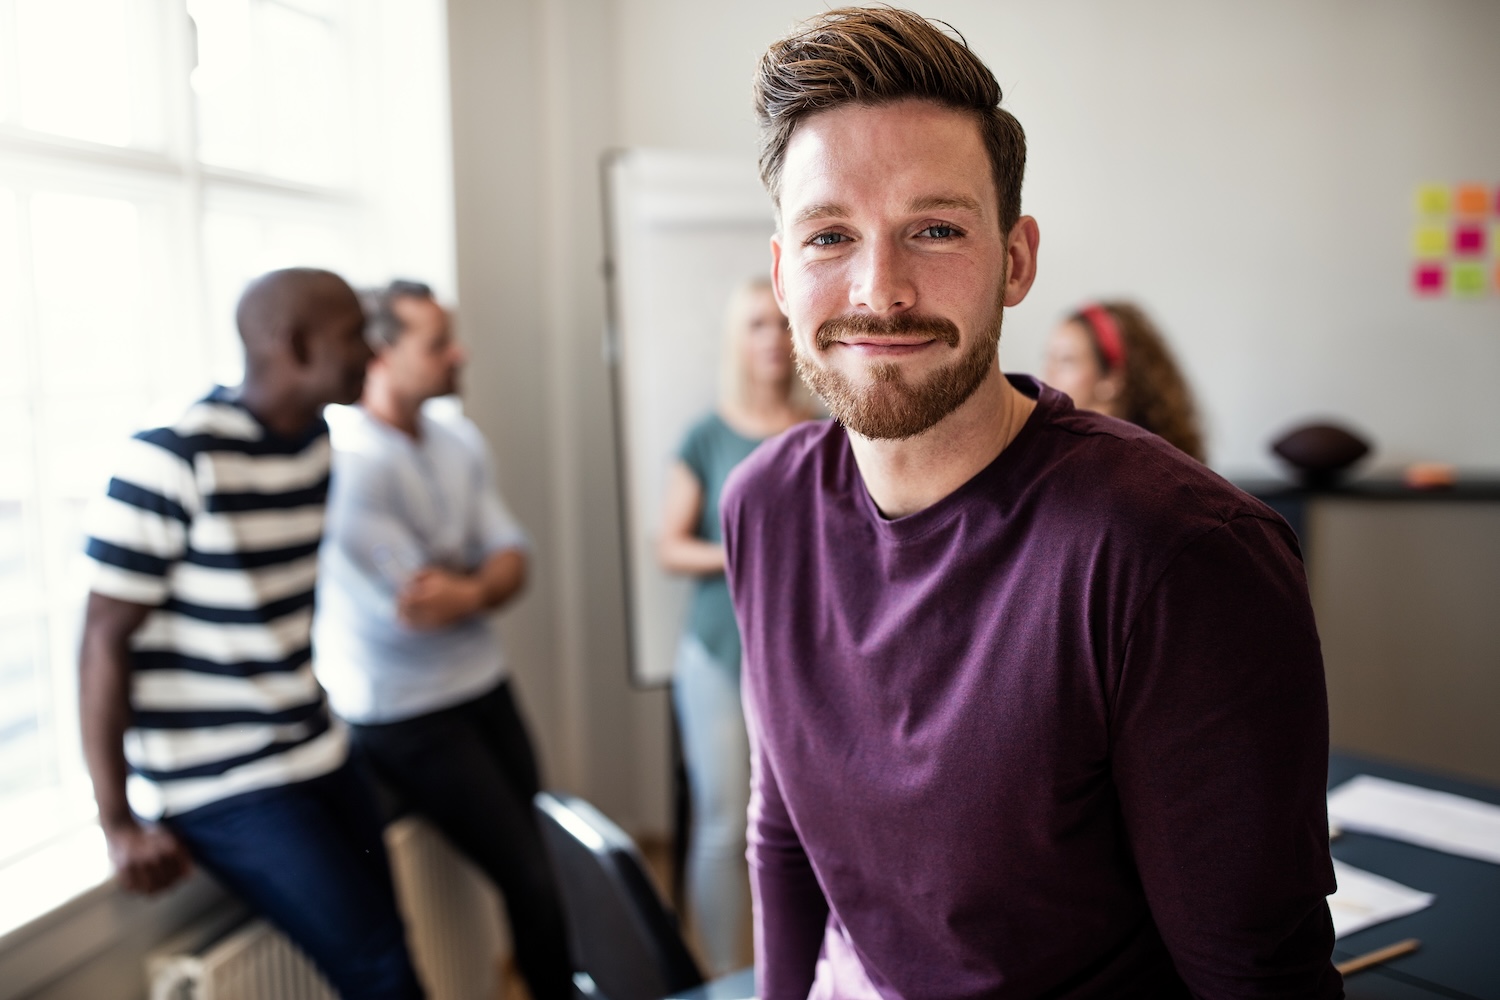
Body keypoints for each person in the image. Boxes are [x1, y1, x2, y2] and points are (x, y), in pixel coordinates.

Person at [723, 9, 1341, 998]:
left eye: (934, 229)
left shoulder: (1175, 556)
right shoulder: (764, 506)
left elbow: (1256, 977)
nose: (881, 292)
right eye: (831, 234)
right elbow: (784, 830)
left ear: (1016, 259)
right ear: (784, 271)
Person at [79, 268, 425, 999]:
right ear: (296, 345)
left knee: (390, 946)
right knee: (380, 973)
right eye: (356, 334)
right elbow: (103, 638)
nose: (373, 349)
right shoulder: (173, 456)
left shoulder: (316, 442)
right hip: (227, 780)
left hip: (317, 747)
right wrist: (117, 821)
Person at [312, 280, 573, 1000]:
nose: (459, 353)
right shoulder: (351, 462)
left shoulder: (456, 437)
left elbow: (513, 553)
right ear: (380, 355)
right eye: (437, 343)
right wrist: (476, 579)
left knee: (544, 859)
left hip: (480, 681)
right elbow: (417, 604)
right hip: (406, 713)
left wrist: (472, 586)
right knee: (528, 873)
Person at [655, 277, 813, 975]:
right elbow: (669, 545)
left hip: (804, 654)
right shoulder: (706, 433)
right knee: (724, 826)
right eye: (756, 325)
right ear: (737, 340)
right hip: (718, 652)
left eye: (781, 323)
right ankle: (728, 980)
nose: (772, 339)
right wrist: (744, 551)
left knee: (800, 824)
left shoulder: (823, 427)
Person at [1043, 300, 1207, 461]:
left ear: (1112, 379)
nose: (1048, 373)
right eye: (1049, 359)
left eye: (1067, 361)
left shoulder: (1139, 463)